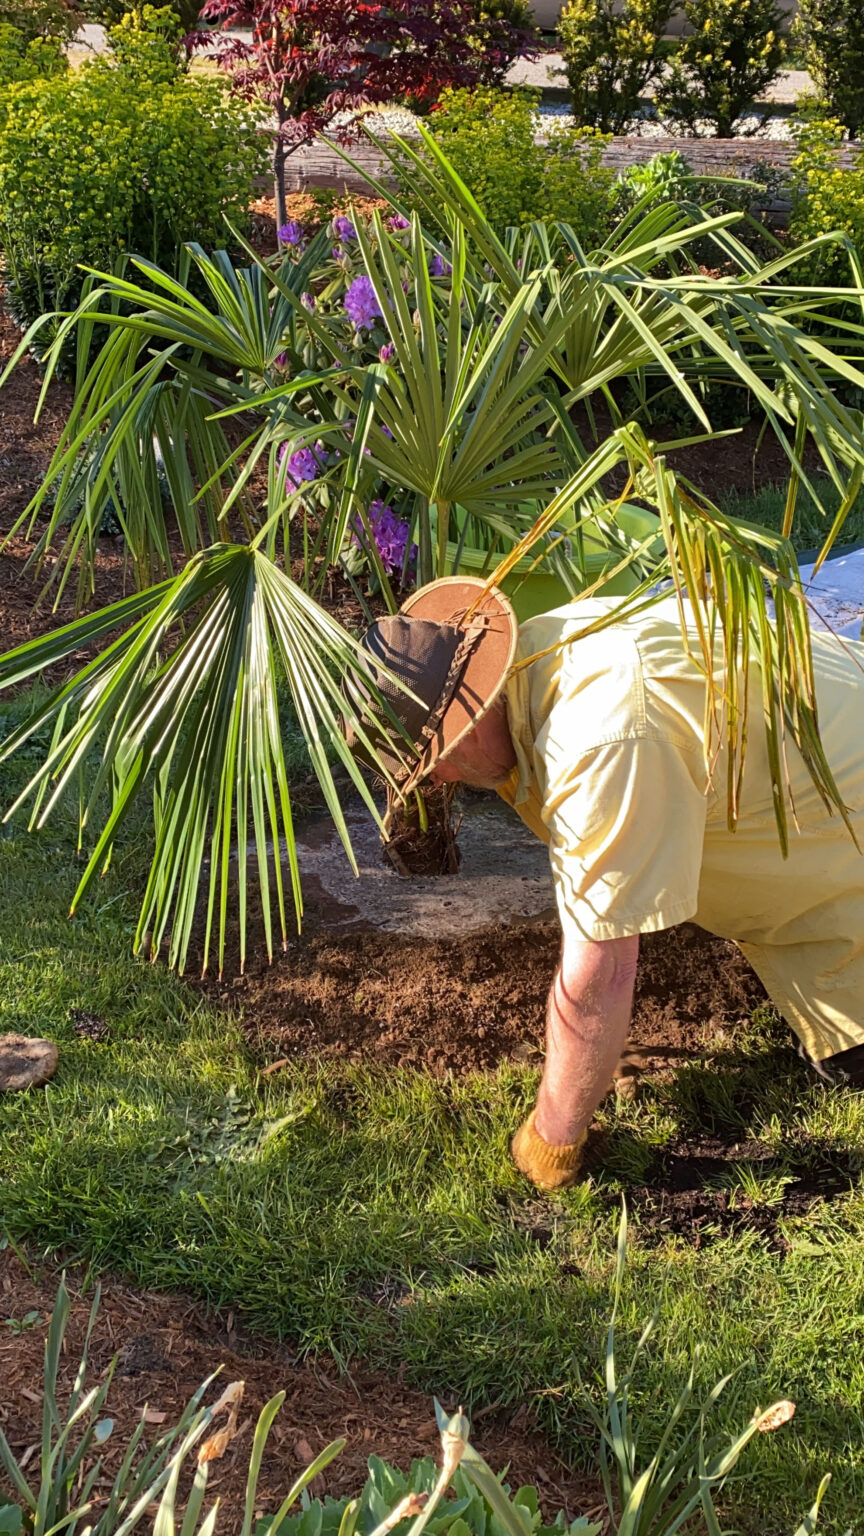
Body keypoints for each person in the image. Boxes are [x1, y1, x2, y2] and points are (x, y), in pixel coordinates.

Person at [345, 574, 864, 1192]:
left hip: (845, 843)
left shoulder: (599, 738)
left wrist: (554, 1136)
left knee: (849, 1061)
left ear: (474, 715)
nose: (438, 781)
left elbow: (603, 970)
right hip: (825, 754)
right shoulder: (551, 648)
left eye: (436, 760)